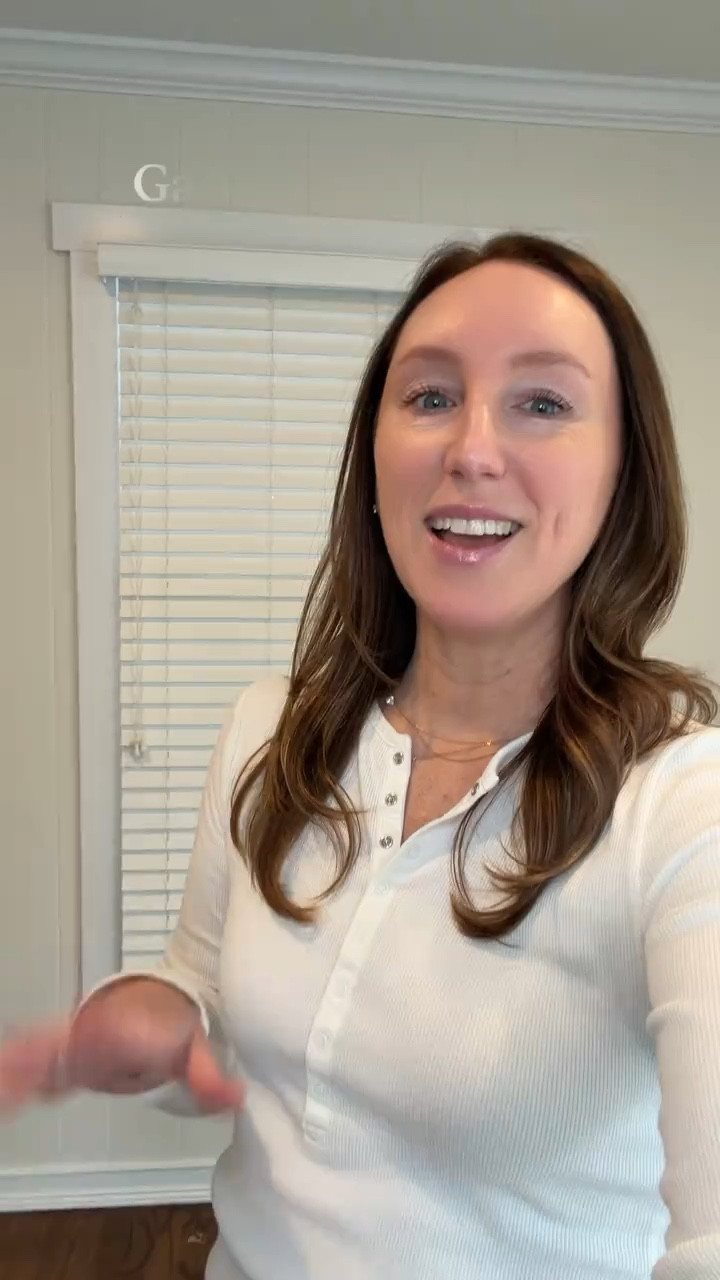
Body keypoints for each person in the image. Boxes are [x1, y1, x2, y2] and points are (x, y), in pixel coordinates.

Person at [2, 232, 719, 1280]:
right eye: (430, 396)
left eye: (542, 402)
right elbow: (203, 985)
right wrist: (153, 1017)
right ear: (374, 461)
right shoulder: (268, 731)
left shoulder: (686, 806)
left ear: (624, 475)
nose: (472, 448)